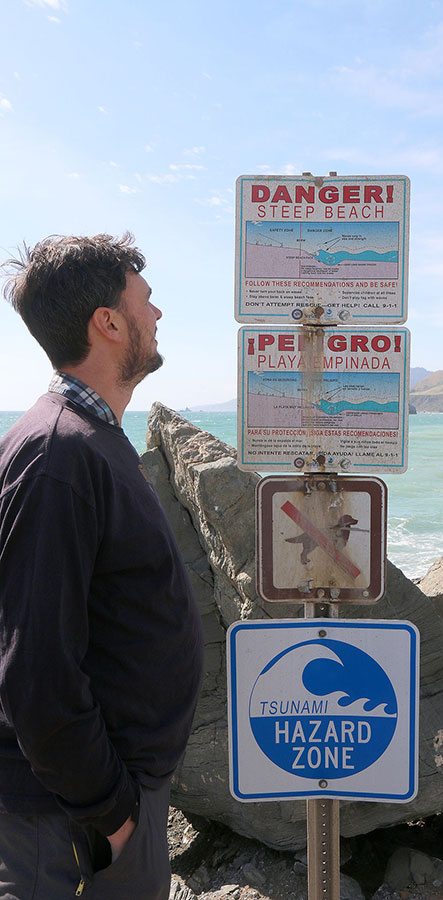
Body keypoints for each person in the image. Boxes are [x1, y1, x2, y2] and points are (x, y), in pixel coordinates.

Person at [0, 233, 204, 899]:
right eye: (145, 300)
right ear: (108, 323)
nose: (157, 314)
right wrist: (109, 815)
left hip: (96, 804)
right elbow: (34, 668)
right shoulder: (59, 454)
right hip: (67, 823)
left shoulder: (86, 439)